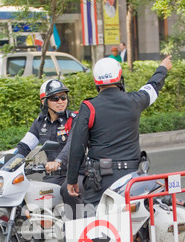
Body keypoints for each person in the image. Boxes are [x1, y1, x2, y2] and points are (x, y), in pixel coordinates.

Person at [67, 55, 172, 207]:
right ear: (119, 77)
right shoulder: (134, 101)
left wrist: (72, 180)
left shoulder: (89, 107)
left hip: (100, 180)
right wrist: (162, 68)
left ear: (97, 82)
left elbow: (77, 147)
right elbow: (152, 87)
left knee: (95, 221)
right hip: (132, 179)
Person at [16, 78, 83, 242]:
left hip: (75, 174)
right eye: (55, 98)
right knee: (21, 200)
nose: (61, 101)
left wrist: (60, 161)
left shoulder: (75, 119)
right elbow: (23, 147)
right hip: (53, 176)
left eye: (63, 97)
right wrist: (7, 162)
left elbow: (72, 145)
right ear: (45, 101)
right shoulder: (40, 123)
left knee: (67, 192)